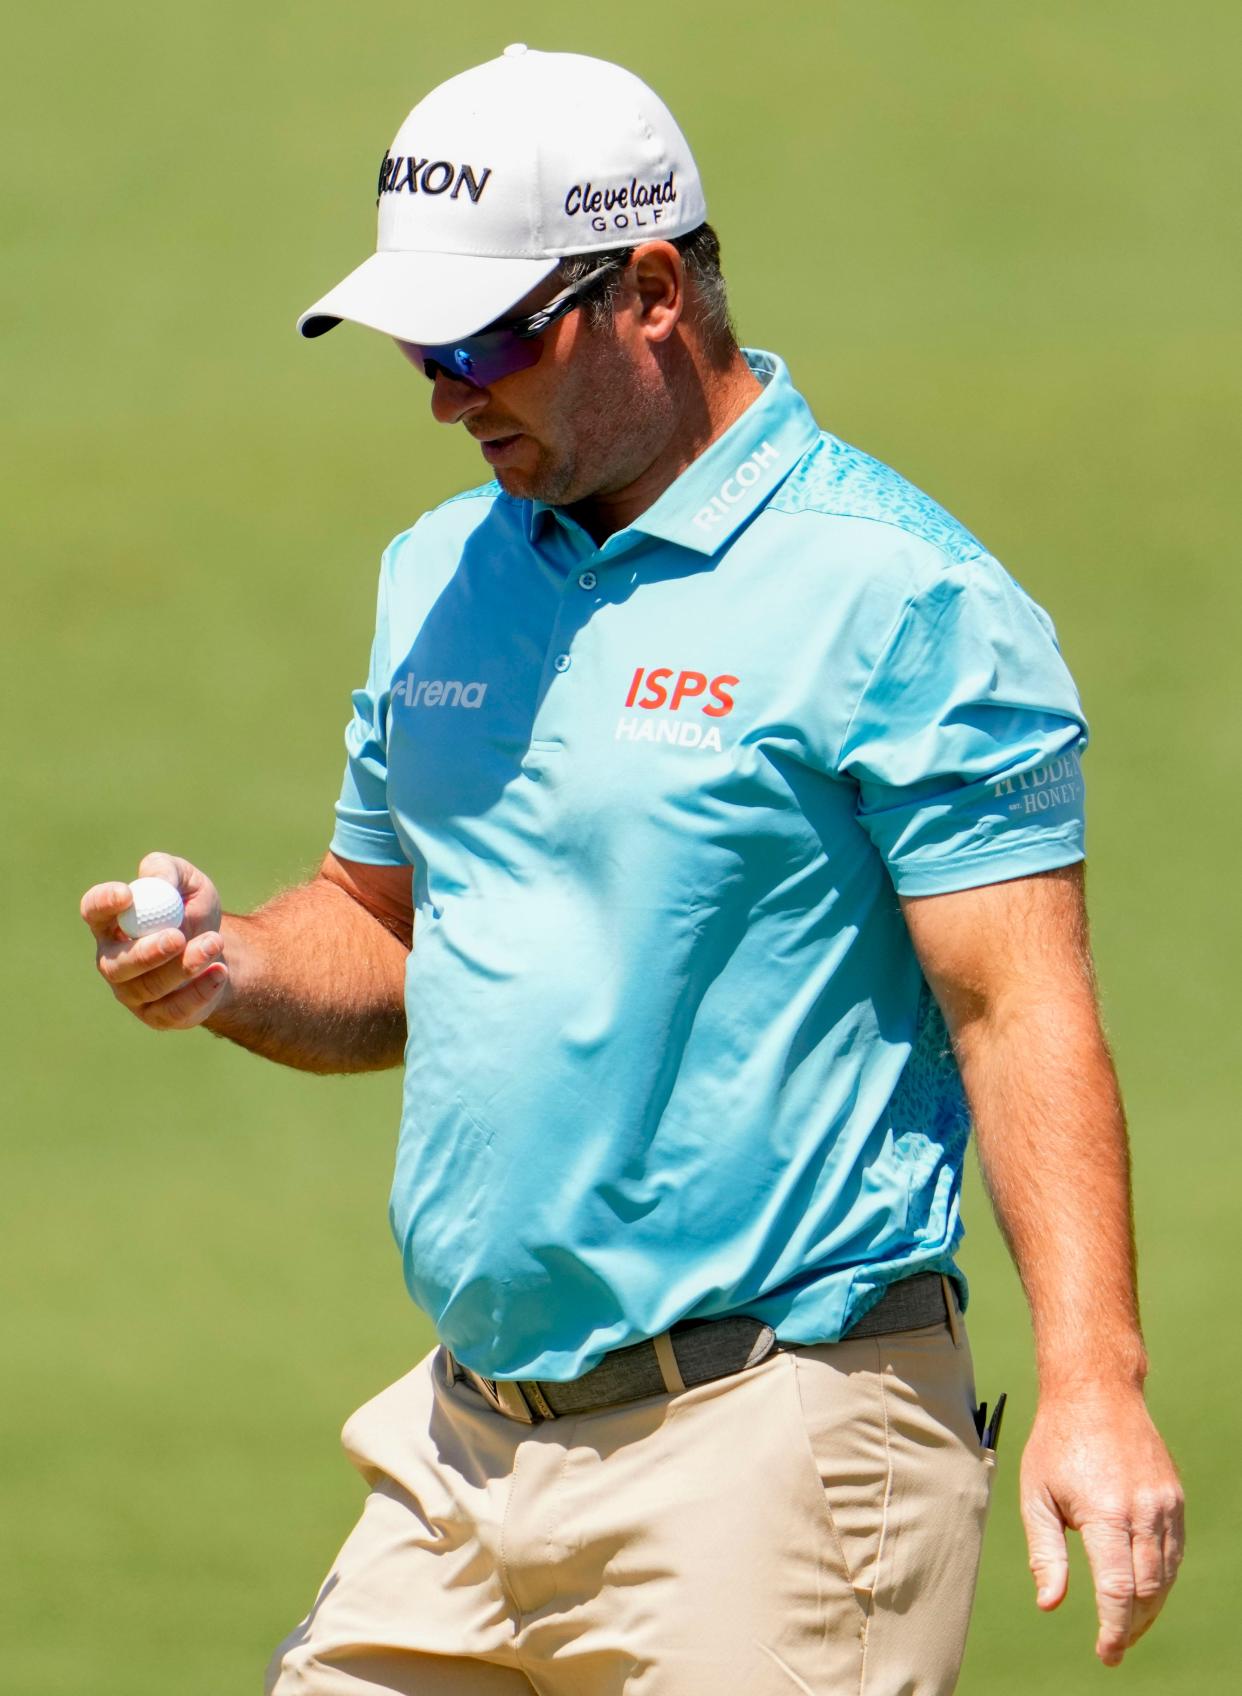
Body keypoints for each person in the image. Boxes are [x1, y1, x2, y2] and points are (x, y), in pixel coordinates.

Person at [81, 45, 1183, 1696]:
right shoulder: (437, 576)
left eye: (486, 341)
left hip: (780, 1455)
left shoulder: (897, 597)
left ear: (651, 290)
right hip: (462, 1454)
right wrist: (229, 966)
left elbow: (1014, 1005)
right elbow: (384, 929)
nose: (449, 394)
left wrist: (1093, 1384)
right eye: (418, 350)